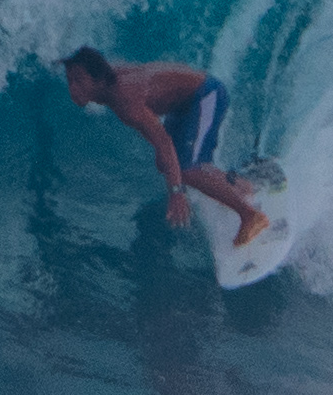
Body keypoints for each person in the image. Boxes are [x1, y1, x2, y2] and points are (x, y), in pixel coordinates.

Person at [63, 46, 271, 247]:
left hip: (206, 95)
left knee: (188, 170)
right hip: (183, 107)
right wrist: (164, 157)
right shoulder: (109, 81)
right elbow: (151, 130)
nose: (73, 88)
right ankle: (241, 186)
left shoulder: (124, 97)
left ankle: (251, 216)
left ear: (97, 79)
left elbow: (163, 140)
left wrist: (176, 192)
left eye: (79, 81)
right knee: (173, 165)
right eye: (71, 80)